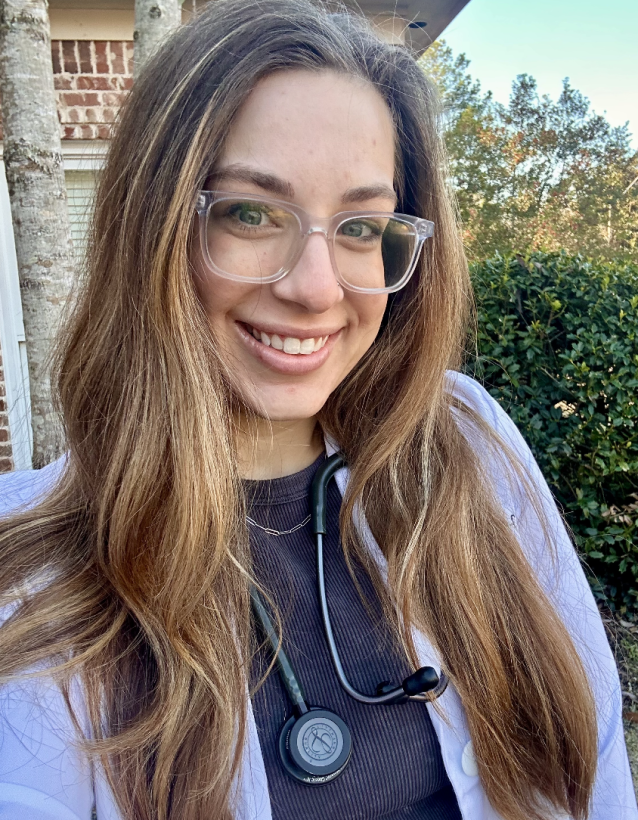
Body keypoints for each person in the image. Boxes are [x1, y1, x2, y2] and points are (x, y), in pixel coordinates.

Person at [0, 1, 636, 818]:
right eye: (251, 213)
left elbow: (598, 763)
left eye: (361, 226)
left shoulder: (463, 442)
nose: (315, 287)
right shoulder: (30, 583)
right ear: (152, 228)